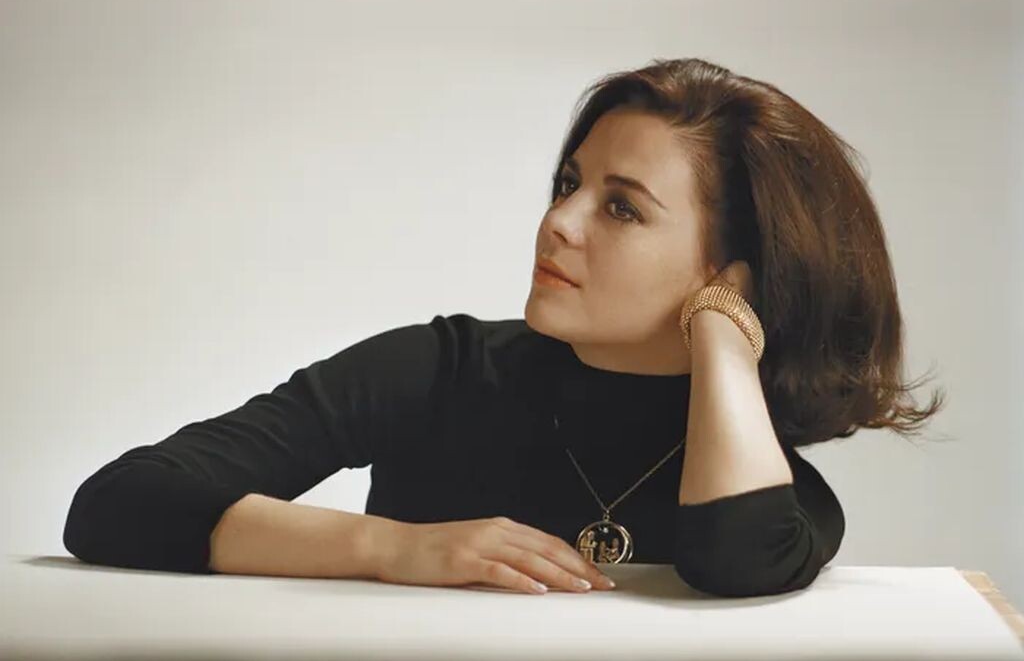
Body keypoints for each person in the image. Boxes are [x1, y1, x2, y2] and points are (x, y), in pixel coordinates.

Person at [63, 57, 945, 599]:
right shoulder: (440, 367)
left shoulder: (762, 476)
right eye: (568, 184)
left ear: (736, 268)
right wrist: (397, 549)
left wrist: (721, 330)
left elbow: (738, 559)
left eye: (622, 208)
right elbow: (119, 503)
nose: (558, 222)